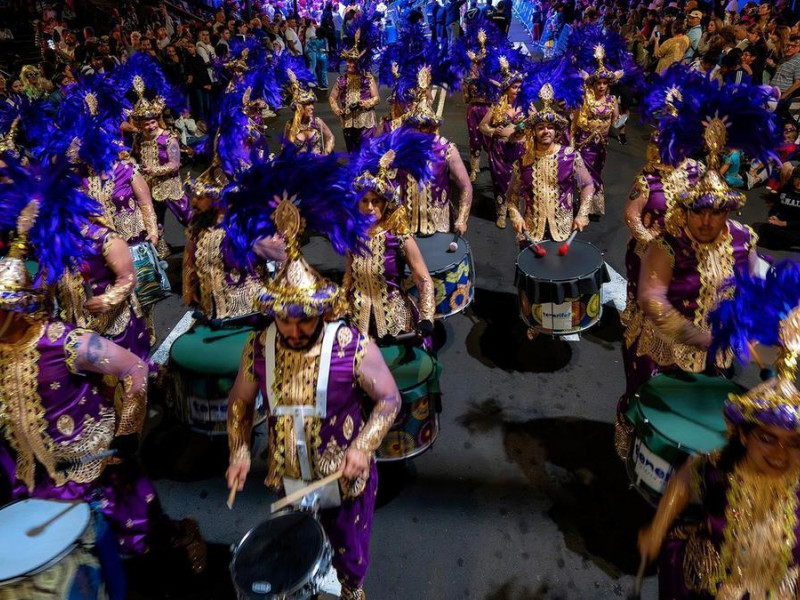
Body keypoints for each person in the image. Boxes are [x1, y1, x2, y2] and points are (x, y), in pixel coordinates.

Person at [0, 162, 206, 589]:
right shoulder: (52, 251)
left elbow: (127, 276)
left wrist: (109, 296)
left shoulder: (102, 236)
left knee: (129, 497)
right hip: (68, 353)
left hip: (112, 331)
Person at [223, 152, 401, 600]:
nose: (296, 329)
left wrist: (363, 447)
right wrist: (240, 450)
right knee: (294, 561)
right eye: (287, 320)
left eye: (305, 320)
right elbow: (241, 402)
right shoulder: (257, 347)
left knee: (348, 566)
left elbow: (389, 400)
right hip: (288, 479)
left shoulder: (353, 346)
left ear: (321, 310)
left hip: (343, 479)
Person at [639, 261, 800, 600]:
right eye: (768, 438)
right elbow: (684, 478)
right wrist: (657, 530)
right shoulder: (720, 468)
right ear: (743, 435)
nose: (780, 453)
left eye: (794, 443)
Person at [344, 129, 435, 343]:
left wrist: (427, 317)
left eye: (376, 202)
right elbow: (349, 275)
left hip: (395, 321)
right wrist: (339, 303)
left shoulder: (398, 235)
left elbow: (423, 278)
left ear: (385, 204)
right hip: (358, 320)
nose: (369, 207)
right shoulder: (353, 234)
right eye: (364, 201)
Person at [508, 84, 593, 245]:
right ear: (533, 132)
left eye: (550, 128)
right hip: (531, 232)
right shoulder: (522, 162)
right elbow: (511, 198)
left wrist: (583, 213)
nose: (546, 131)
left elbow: (588, 185)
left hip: (563, 231)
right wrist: (515, 216)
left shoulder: (571, 156)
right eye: (540, 128)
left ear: (556, 132)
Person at [400, 82, 472, 235]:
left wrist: (462, 219)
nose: (419, 130)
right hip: (406, 229)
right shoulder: (400, 149)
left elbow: (466, 186)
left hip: (439, 227)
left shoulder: (447, 150)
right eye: (415, 126)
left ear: (432, 127)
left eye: (424, 126)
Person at [130, 79, 192, 256]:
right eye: (146, 124)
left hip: (170, 186)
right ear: (140, 125)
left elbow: (174, 164)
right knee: (155, 221)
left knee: (186, 215)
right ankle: (162, 248)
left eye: (152, 122)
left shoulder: (169, 138)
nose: (150, 126)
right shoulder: (139, 139)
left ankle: (201, 237)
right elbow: (135, 157)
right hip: (149, 187)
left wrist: (154, 170)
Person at [571, 45, 621, 219]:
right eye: (598, 83)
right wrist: (571, 142)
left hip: (601, 145)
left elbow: (617, 120)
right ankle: (583, 205)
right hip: (585, 142)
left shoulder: (612, 100)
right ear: (593, 83)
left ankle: (593, 206)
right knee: (584, 174)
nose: (601, 86)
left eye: (604, 83)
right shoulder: (585, 99)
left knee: (596, 173)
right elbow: (575, 122)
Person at [479, 56, 526, 228]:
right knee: (501, 181)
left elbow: (536, 123)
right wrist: (492, 131)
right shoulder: (497, 107)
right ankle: (501, 211)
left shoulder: (527, 106)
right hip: (500, 151)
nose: (517, 90)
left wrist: (525, 129)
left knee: (520, 181)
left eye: (519, 87)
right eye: (514, 87)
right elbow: (482, 126)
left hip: (521, 150)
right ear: (507, 89)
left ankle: (517, 211)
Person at [329, 22, 380, 152]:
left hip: (366, 120)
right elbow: (332, 98)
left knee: (366, 151)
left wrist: (366, 103)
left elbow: (376, 98)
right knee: (352, 150)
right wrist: (337, 110)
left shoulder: (367, 78)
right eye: (347, 61)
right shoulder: (341, 80)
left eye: (352, 62)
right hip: (348, 121)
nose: (348, 64)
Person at [283, 69, 335, 155]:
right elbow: (284, 147)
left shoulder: (317, 122)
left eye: (312, 103)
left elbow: (330, 137)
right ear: (299, 107)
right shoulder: (290, 125)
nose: (312, 107)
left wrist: (326, 152)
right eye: (308, 104)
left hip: (318, 165)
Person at [758, 166, 800, 250]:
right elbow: (776, 206)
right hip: (780, 223)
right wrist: (773, 216)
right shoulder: (786, 189)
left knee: (776, 243)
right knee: (764, 231)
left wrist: (783, 223)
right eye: (798, 178)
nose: (799, 182)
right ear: (793, 178)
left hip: (795, 227)